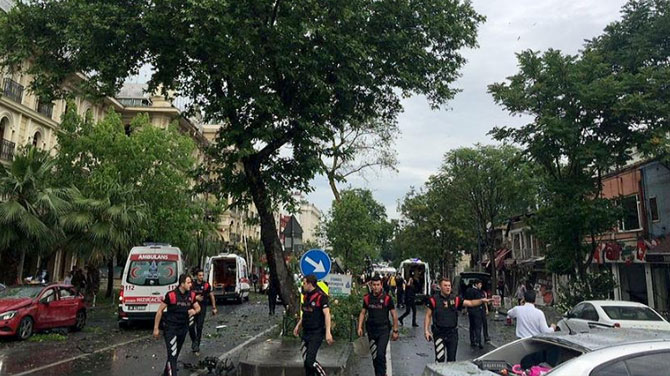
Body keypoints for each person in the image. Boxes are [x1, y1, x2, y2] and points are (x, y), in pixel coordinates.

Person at [424, 278, 490, 362]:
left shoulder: (455, 299)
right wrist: (426, 330)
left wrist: (481, 301)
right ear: (440, 287)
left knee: (452, 360)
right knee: (440, 359)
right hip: (439, 333)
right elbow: (428, 315)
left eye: (449, 286)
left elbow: (470, 303)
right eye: (445, 285)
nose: (448, 288)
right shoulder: (433, 300)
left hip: (452, 334)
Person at [153, 274, 201, 376]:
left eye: (191, 282)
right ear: (182, 284)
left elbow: (198, 308)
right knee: (173, 355)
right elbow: (159, 311)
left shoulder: (191, 295)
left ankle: (166, 373)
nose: (190, 284)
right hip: (171, 329)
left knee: (174, 355)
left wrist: (194, 311)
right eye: (188, 282)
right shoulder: (171, 295)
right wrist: (156, 328)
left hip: (183, 329)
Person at [357, 275, 399, 376]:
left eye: (378, 285)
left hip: (383, 330)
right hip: (371, 331)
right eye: (374, 285)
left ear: (381, 285)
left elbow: (394, 314)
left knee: (380, 354)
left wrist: (395, 330)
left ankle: (382, 373)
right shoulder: (367, 298)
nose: (376, 287)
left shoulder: (387, 298)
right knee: (375, 356)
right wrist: (359, 327)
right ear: (371, 285)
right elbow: (363, 313)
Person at [293, 274, 333, 376]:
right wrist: (298, 326)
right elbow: (305, 313)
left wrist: (328, 332)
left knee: (310, 361)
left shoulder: (321, 297)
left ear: (310, 284)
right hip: (306, 332)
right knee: (307, 364)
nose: (303, 285)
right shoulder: (306, 296)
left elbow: (327, 314)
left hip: (316, 333)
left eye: (305, 283)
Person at [189, 269, 217, 355]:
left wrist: (214, 307)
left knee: (199, 326)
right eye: (200, 275)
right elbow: (187, 295)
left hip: (202, 308)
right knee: (191, 326)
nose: (201, 277)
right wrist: (195, 298)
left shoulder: (206, 285)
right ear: (197, 276)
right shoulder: (192, 285)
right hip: (193, 308)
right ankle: (194, 341)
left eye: (202, 275)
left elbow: (211, 295)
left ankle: (197, 344)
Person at [465, 279, 486, 348]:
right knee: (478, 326)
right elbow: (480, 301)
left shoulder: (468, 290)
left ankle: (472, 341)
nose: (481, 286)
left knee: (472, 326)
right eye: (480, 284)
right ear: (476, 284)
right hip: (477, 311)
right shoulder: (478, 292)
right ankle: (479, 341)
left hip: (470, 310)